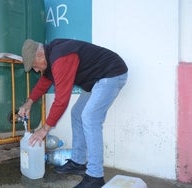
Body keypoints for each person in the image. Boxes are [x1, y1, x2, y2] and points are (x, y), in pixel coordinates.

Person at [18, 38, 128, 188]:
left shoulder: (61, 57)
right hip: (95, 81)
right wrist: (29, 102)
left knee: (90, 117)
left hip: (111, 73)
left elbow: (61, 100)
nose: (36, 70)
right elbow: (44, 83)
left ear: (39, 55)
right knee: (77, 114)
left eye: (35, 66)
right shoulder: (50, 56)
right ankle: (78, 162)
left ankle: (95, 177)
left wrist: (45, 129)